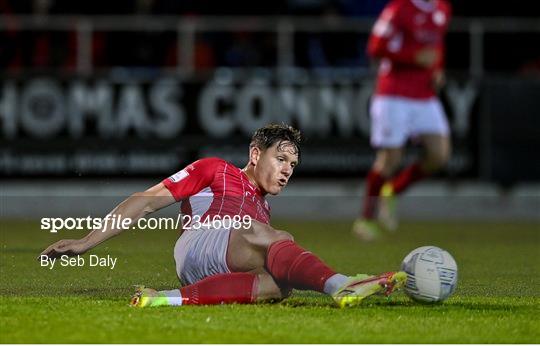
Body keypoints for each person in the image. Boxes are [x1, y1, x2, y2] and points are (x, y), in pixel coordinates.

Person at [40, 124, 406, 308]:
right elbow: (147, 201)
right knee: (278, 239)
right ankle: (342, 285)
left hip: (217, 260)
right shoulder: (215, 170)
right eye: (280, 159)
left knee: (279, 284)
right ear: (255, 154)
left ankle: (165, 299)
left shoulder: (262, 206)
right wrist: (87, 241)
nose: (287, 170)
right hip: (201, 241)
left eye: (293, 164)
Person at [353, 0, 452, 240]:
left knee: (439, 155)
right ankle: (366, 220)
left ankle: (393, 190)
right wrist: (414, 57)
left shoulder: (442, 8)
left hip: (425, 95)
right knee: (390, 160)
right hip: (393, 94)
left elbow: (436, 45)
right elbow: (375, 46)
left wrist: (437, 69)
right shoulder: (398, 8)